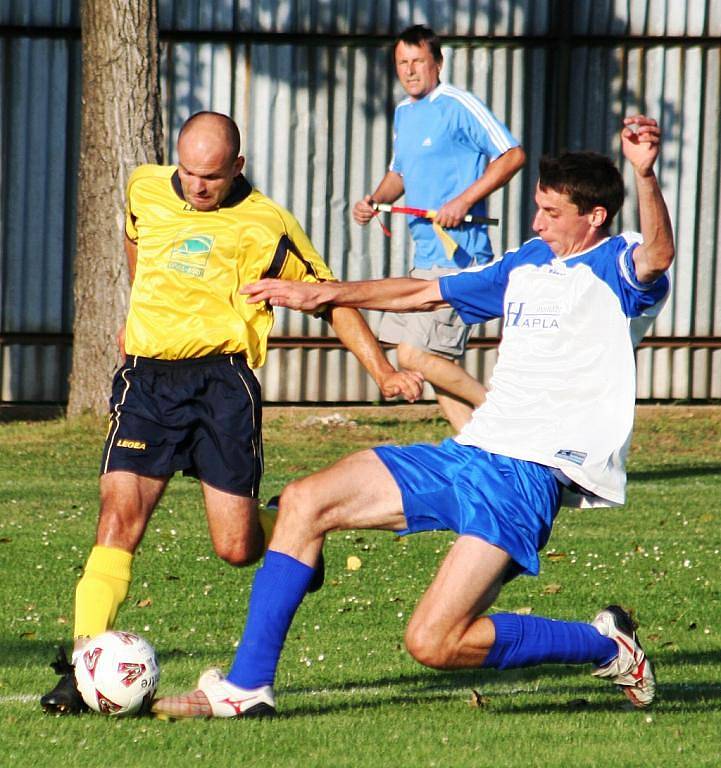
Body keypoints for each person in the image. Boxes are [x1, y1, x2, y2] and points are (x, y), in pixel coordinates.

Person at [151, 115, 674, 720]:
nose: (536, 222)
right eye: (537, 207)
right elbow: (424, 292)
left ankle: (605, 645)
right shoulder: (527, 261)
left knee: (434, 642)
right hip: (471, 451)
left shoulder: (619, 264)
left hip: (528, 477)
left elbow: (659, 254)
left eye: (551, 213)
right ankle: (247, 688)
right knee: (303, 501)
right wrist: (327, 293)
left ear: (595, 217)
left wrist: (645, 173)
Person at [40, 111, 423, 715]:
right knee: (118, 519)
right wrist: (142, 312)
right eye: (189, 173)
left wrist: (383, 372)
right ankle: (82, 670)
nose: (197, 187)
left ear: (237, 168)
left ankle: (292, 536)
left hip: (222, 387)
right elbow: (136, 240)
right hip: (147, 383)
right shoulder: (145, 186)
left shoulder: (267, 225)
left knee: (237, 548)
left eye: (211, 177)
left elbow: (330, 299)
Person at [353, 25, 526, 431]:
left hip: (457, 256)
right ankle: (478, 449)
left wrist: (463, 200)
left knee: (413, 357)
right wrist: (374, 200)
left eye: (418, 62)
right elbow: (399, 173)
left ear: (438, 63)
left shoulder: (458, 104)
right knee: (433, 364)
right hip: (424, 256)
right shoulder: (404, 112)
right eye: (402, 64)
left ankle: (508, 421)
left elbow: (512, 154)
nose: (410, 71)